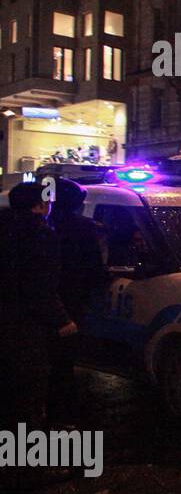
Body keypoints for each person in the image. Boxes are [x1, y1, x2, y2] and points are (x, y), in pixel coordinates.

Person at [0, 182, 77, 435]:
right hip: (24, 323)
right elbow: (39, 284)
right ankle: (26, 453)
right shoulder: (40, 234)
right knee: (28, 386)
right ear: (41, 204)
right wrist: (62, 320)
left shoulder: (5, 226)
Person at [46, 178, 107, 424]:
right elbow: (93, 267)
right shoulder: (83, 228)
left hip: (39, 302)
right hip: (70, 300)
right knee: (63, 360)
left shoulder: (43, 224)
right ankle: (62, 413)